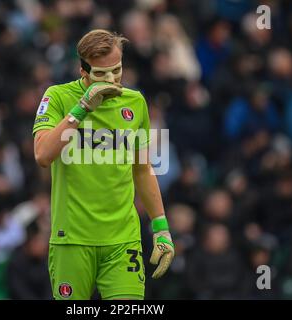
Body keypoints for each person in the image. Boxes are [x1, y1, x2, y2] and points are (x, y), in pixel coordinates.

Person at [33, 29, 174, 300]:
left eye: (117, 71)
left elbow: (142, 169)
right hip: (72, 239)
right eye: (100, 74)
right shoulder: (58, 98)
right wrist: (82, 108)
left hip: (123, 240)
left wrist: (161, 227)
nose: (110, 80)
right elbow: (42, 155)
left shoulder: (135, 102)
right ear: (82, 70)